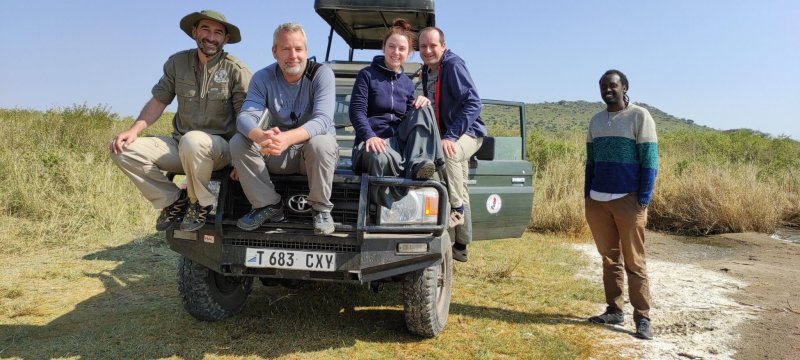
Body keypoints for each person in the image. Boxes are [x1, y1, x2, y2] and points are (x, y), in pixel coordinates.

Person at [109, 10, 251, 232]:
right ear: (194, 32)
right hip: (181, 144)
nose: (211, 37)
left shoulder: (236, 70)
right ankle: (174, 201)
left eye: (218, 32)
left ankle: (200, 203)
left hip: (220, 150)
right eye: (205, 29)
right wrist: (133, 130)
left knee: (193, 141)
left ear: (226, 38)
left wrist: (244, 160)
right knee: (122, 149)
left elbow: (247, 118)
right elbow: (159, 100)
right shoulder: (177, 63)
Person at [230, 23, 338, 235]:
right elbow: (245, 116)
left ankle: (321, 209)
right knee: (239, 141)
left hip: (312, 157)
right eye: (286, 49)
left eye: (298, 49)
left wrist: (288, 138)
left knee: (321, 142)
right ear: (274, 52)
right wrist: (260, 136)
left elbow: (323, 119)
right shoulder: (262, 77)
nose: (293, 55)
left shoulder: (321, 74)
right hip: (276, 152)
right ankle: (267, 205)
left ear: (306, 51)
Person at [584, 69, 658, 340]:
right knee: (609, 259)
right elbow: (590, 162)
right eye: (603, 85)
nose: (607, 90)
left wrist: (643, 198)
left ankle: (643, 317)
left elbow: (649, 160)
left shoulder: (640, 116)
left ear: (624, 87)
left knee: (635, 261)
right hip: (598, 200)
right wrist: (587, 196)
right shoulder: (596, 120)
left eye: (613, 85)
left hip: (628, 199)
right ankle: (614, 309)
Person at [349, 18, 443, 208]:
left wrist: (421, 100)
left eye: (402, 49)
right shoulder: (366, 75)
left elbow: (411, 120)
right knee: (378, 155)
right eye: (392, 47)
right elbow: (356, 112)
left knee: (423, 106)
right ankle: (379, 210)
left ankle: (419, 164)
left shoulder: (408, 84)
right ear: (384, 47)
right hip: (369, 145)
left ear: (409, 53)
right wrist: (370, 136)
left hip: (396, 145)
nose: (396, 52)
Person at [418, 27, 487, 262]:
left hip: (469, 132)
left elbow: (474, 104)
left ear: (443, 46)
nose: (427, 50)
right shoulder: (427, 71)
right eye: (423, 46)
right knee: (461, 185)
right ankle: (461, 246)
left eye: (432, 45)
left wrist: (451, 136)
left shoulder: (454, 66)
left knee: (448, 154)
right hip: (446, 134)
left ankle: (455, 210)